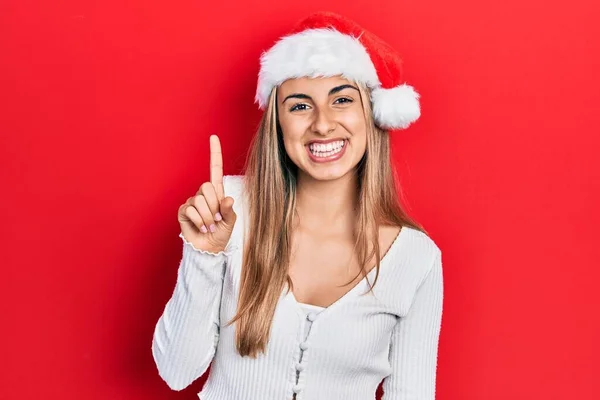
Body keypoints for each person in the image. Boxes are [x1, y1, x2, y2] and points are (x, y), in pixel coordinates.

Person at [152, 11, 444, 400]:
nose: (322, 125)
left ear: (372, 115)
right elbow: (176, 370)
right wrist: (204, 254)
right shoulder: (229, 208)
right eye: (300, 106)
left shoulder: (416, 258)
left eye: (341, 100)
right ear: (279, 122)